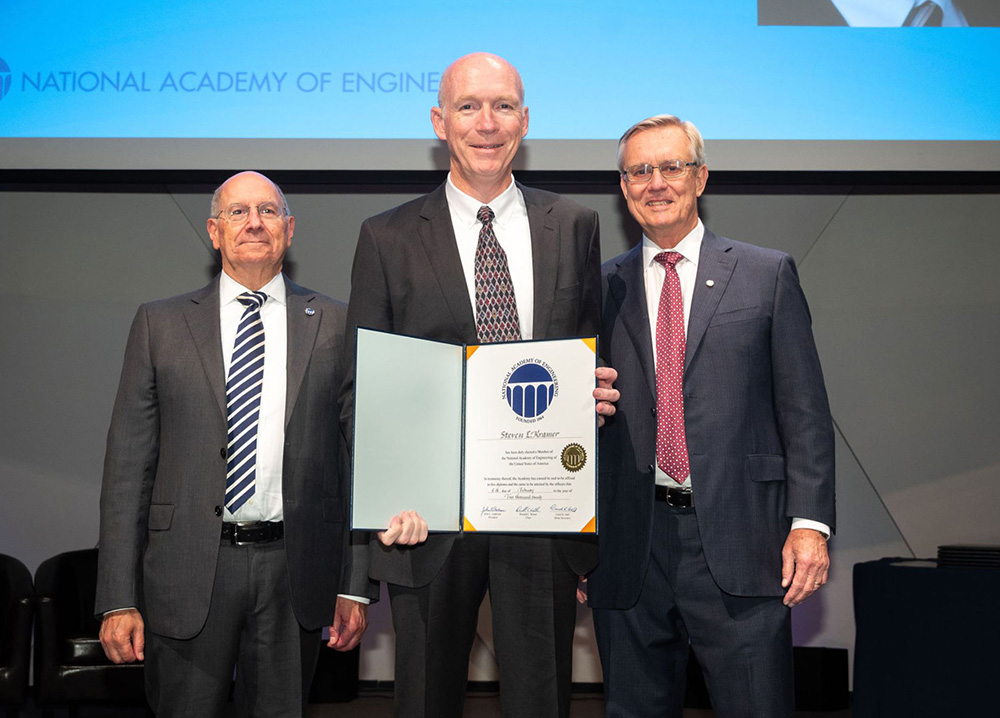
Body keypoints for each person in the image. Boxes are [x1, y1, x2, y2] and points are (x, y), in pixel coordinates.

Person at [340, 52, 617, 718]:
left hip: (541, 511)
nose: (486, 123)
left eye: (502, 106)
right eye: (468, 107)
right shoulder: (386, 237)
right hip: (426, 523)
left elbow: (588, 356)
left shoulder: (575, 225)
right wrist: (389, 494)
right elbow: (363, 392)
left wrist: (597, 398)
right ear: (440, 121)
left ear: (525, 119)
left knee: (542, 702)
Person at [94, 171, 380, 717]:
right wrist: (118, 596)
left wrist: (357, 584)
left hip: (295, 575)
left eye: (268, 211)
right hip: (187, 571)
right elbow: (127, 469)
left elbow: (359, 462)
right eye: (238, 212)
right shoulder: (160, 324)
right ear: (214, 231)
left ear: (289, 229)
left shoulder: (339, 325)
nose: (254, 222)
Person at [587, 115, 835, 718]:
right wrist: (577, 538)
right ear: (623, 187)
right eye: (639, 171)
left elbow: (804, 410)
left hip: (743, 539)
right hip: (628, 546)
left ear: (700, 177)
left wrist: (810, 524)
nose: (656, 183)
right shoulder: (596, 288)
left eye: (671, 167)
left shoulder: (765, 273)